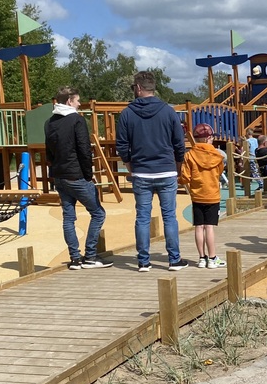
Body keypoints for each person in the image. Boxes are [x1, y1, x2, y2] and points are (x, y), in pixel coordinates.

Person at [116, 71, 188, 272]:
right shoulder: (168, 111)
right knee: (169, 217)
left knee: (142, 217)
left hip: (141, 172)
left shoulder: (127, 113)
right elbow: (179, 143)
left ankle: (143, 261)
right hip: (166, 170)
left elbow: (121, 145)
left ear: (138, 88)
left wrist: (129, 164)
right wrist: (178, 164)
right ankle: (174, 259)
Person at [44, 87, 112, 270]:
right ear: (68, 101)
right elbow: (84, 149)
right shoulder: (77, 120)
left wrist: (55, 167)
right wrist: (88, 175)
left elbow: (48, 151)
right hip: (76, 175)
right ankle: (90, 255)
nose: (79, 103)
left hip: (59, 176)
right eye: (77, 100)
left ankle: (75, 258)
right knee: (98, 213)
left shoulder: (49, 122)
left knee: (68, 218)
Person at [179, 123, 227, 269]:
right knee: (209, 227)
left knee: (199, 227)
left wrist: (182, 181)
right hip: (212, 194)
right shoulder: (217, 155)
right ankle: (212, 258)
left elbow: (185, 177)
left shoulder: (190, 155)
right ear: (208, 138)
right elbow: (219, 172)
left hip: (197, 195)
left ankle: (201, 258)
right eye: (212, 137)